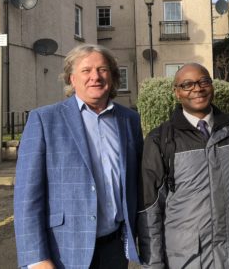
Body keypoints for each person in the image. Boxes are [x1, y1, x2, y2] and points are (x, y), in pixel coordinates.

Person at [14, 44, 143, 269]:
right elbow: (27, 197)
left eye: (103, 70)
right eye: (86, 70)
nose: (95, 76)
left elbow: (135, 184)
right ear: (72, 79)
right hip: (63, 251)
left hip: (115, 248)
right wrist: (36, 259)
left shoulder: (129, 120)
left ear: (112, 77)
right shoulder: (44, 120)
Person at [137, 63, 229, 268]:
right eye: (187, 84)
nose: (197, 89)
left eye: (203, 81)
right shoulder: (161, 140)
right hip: (187, 260)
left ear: (212, 86)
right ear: (177, 93)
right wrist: (153, 263)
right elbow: (150, 208)